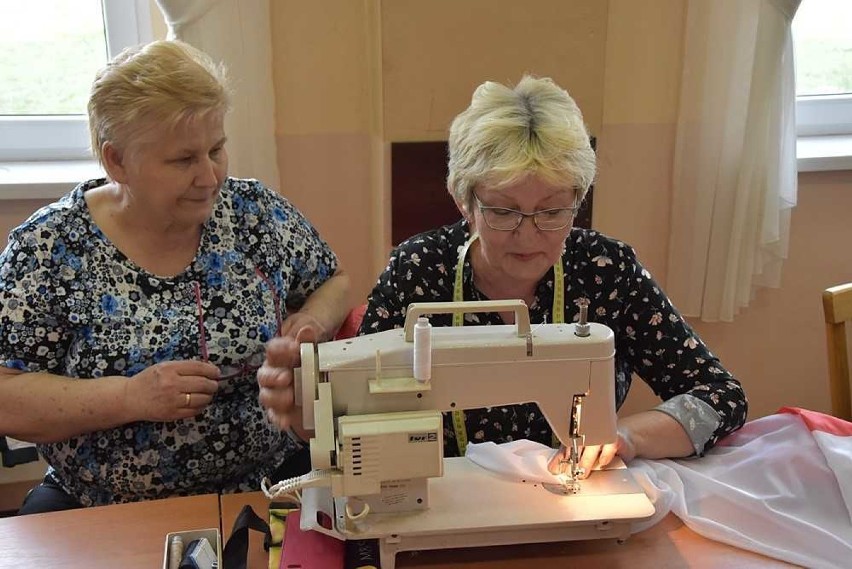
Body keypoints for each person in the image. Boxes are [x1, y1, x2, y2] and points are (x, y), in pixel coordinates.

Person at [0, 40, 351, 513]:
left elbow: (334, 282)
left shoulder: (254, 214)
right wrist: (129, 396)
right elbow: (7, 396)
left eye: (217, 149)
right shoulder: (49, 248)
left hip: (268, 481)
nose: (209, 177)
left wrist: (310, 323)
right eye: (183, 160)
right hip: (100, 502)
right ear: (117, 161)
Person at [354, 75, 748, 474]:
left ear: (578, 199)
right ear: (464, 201)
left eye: (553, 211)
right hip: (441, 494)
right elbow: (353, 405)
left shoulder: (606, 271)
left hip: (571, 486)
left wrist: (626, 436)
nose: (528, 235)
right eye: (504, 212)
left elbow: (720, 396)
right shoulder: (417, 270)